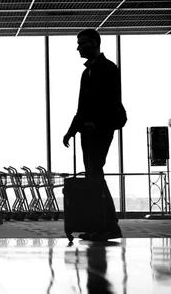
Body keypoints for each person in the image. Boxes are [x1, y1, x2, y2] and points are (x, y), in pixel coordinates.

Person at [63, 28, 125, 241]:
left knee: (95, 176)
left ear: (95, 43)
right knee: (94, 177)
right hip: (88, 130)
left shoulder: (108, 69)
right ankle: (104, 225)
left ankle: (107, 226)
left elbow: (110, 102)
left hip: (100, 129)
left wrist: (95, 124)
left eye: (82, 43)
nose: (79, 48)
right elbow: (82, 106)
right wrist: (71, 131)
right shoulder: (87, 72)